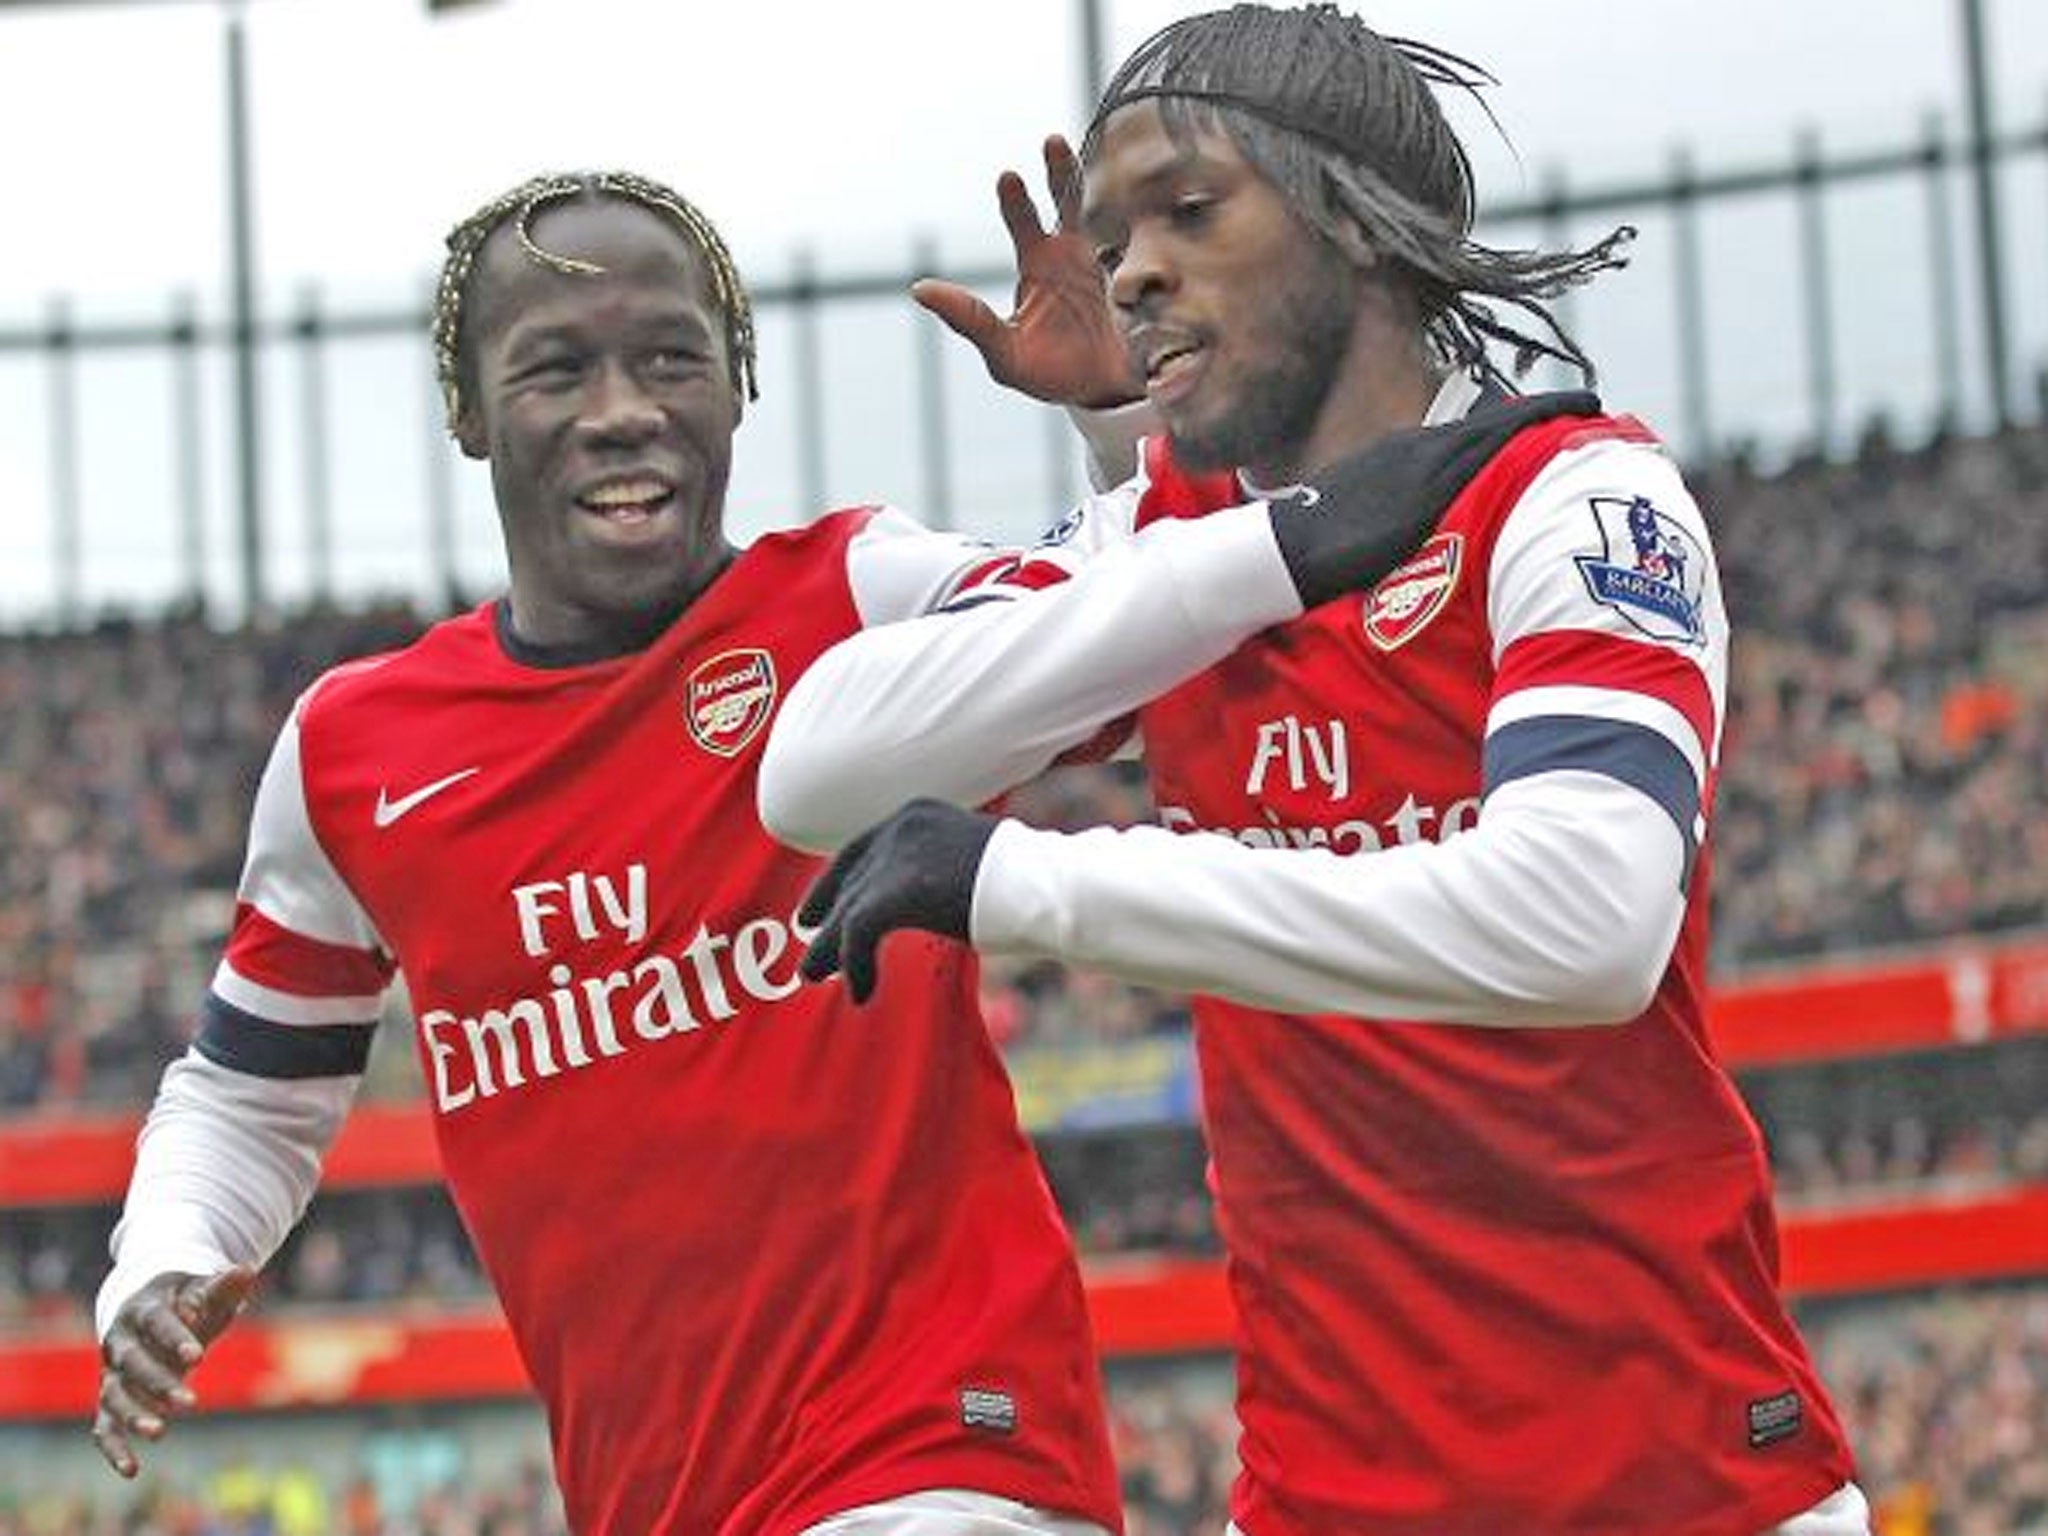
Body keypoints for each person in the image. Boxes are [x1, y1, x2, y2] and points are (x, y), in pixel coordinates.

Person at [757, 6, 1870, 1534]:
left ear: (1351, 220)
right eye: (1114, 232)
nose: (1132, 269)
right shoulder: (1191, 560)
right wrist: (1263, 549)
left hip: (1677, 1490)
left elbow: (1586, 922)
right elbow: (812, 770)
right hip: (1317, 1500)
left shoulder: (1572, 494)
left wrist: (1039, 886)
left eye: (1190, 212)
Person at [87, 169, 1137, 1536]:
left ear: (738, 382)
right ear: (470, 415)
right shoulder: (359, 753)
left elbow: (1143, 636)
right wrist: (164, 1255)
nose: (624, 409)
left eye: (669, 358)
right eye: (558, 369)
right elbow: (247, 1090)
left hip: (952, 1449)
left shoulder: (856, 598)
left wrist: (1123, 420)